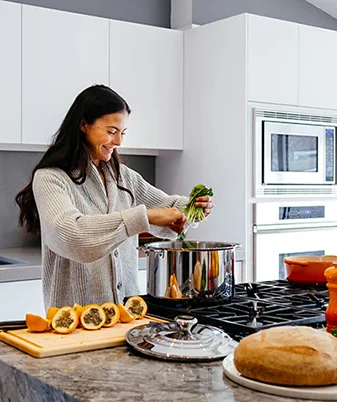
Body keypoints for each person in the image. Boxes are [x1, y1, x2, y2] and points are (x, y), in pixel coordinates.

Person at [15, 85, 214, 310]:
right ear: (83, 125)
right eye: (111, 131)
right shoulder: (51, 178)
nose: (119, 141)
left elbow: (166, 208)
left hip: (128, 314)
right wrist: (144, 217)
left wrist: (194, 208)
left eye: (123, 132)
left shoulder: (123, 177)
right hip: (74, 319)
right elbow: (72, 236)